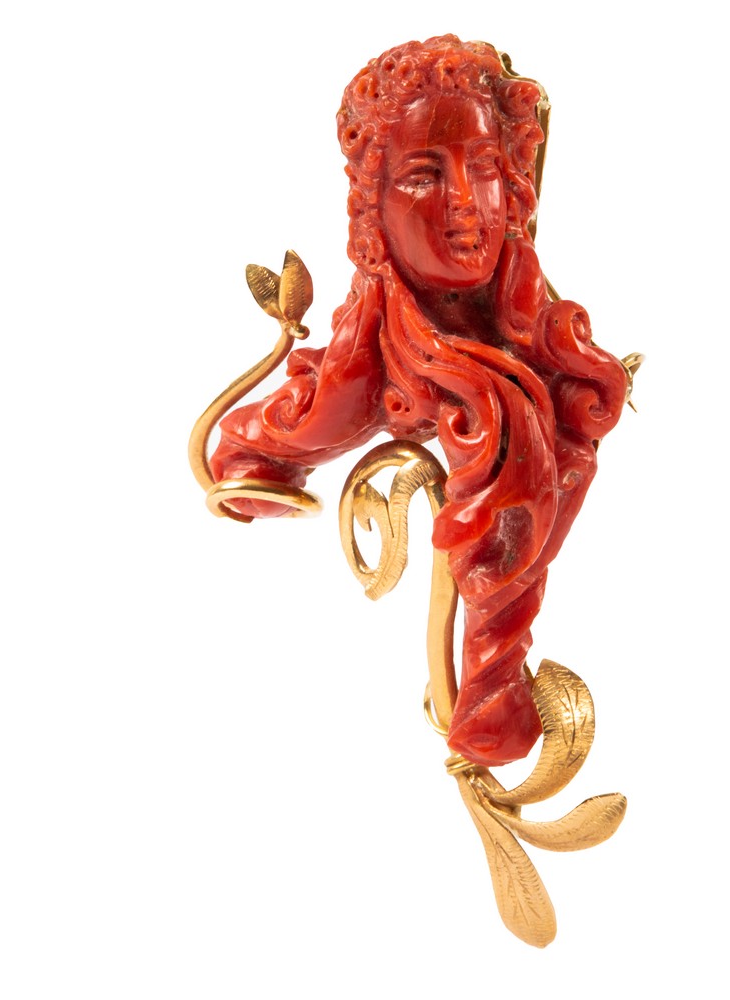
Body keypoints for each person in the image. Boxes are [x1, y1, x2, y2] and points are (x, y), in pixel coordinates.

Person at [210, 36, 628, 767]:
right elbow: (265, 446)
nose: (465, 204)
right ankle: (489, 708)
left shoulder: (540, 355)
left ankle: (489, 704)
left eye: (486, 169)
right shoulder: (367, 361)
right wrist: (252, 474)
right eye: (425, 176)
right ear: (372, 209)